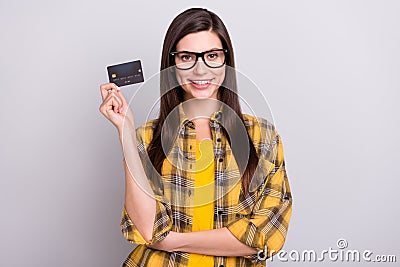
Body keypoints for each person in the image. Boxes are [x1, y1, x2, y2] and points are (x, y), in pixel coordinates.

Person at [99, 7, 292, 267]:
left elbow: (265, 236)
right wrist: (125, 131)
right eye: (187, 57)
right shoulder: (146, 138)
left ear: (226, 60)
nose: (201, 70)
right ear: (172, 65)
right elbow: (146, 229)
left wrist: (172, 241)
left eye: (212, 55)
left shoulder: (262, 137)